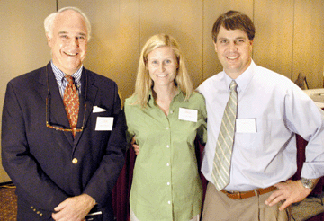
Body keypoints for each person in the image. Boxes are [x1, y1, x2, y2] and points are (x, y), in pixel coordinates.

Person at [1, 7, 127, 221]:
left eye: (80, 37)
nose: (73, 44)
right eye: (64, 36)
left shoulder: (107, 89)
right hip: (41, 214)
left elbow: (115, 152)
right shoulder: (20, 89)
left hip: (95, 212)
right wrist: (63, 208)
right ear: (49, 38)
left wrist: (87, 199)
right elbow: (14, 157)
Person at [197, 10, 324, 220]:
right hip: (216, 203)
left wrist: (305, 185)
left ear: (250, 43)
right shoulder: (206, 91)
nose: (231, 49)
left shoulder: (279, 89)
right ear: (215, 46)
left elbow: (320, 129)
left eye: (239, 40)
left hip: (264, 203)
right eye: (224, 41)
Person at [124, 33, 207, 221]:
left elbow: (210, 141)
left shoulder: (196, 102)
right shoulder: (132, 106)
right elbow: (116, 147)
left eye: (167, 61)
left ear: (178, 62)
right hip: (147, 205)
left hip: (187, 204)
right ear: (146, 64)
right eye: (154, 62)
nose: (161, 68)